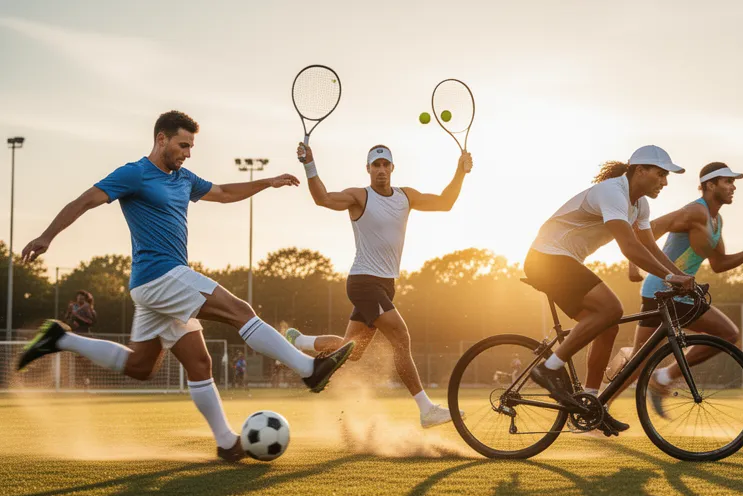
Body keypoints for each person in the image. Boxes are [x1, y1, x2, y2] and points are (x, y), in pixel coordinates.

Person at [17, 110, 352, 461]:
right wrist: (46, 236)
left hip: (157, 286)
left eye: (191, 146)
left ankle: (60, 338)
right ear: (161, 139)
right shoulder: (134, 173)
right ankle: (308, 370)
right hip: (161, 276)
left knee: (153, 366)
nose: (187, 153)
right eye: (183, 145)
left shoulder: (184, 178)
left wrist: (266, 182)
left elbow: (222, 192)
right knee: (241, 311)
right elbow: (84, 200)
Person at [284, 142, 472, 428]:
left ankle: (301, 342)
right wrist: (309, 164)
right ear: (368, 169)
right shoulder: (360, 197)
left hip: (385, 285)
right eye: (376, 165)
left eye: (386, 165)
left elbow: (445, 202)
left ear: (393, 168)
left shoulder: (406, 197)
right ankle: (426, 409)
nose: (381, 170)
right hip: (363, 281)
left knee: (353, 351)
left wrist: (460, 172)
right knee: (401, 337)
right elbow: (322, 198)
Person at [522, 145, 694, 437]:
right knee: (611, 308)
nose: (665, 182)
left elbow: (650, 246)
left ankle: (592, 403)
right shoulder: (612, 192)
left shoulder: (640, 204)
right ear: (640, 170)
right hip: (546, 258)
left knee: (608, 325)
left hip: (561, 261)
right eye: (661, 174)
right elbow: (630, 247)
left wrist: (679, 275)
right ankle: (549, 367)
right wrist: (668, 275)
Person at [623, 162, 743, 417]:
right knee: (641, 359)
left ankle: (659, 378)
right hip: (660, 291)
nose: (733, 186)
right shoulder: (695, 211)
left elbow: (719, 264)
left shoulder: (716, 221)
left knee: (726, 335)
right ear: (710, 185)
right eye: (727, 181)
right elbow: (645, 228)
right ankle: (604, 400)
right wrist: (632, 263)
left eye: (733, 181)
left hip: (679, 293)